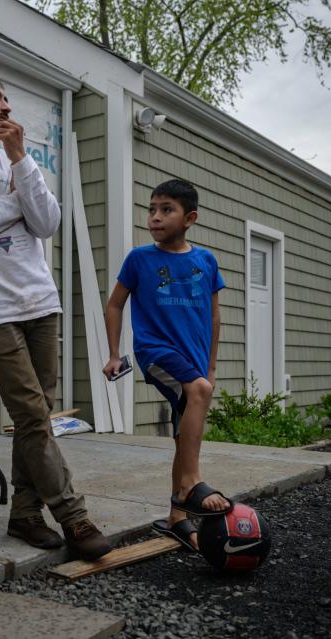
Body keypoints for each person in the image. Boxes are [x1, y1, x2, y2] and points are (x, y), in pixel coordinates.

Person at [0, 70, 111, 560]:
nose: (6, 106)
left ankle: (25, 514)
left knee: (37, 420)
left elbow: (48, 222)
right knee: (33, 416)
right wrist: (14, 204)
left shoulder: (17, 162)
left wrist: (19, 160)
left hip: (39, 301)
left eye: (8, 98)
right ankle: (73, 516)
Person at [103, 179, 232, 553]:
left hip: (193, 359)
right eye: (152, 209)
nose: (155, 217)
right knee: (198, 394)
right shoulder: (139, 259)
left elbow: (215, 316)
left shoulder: (205, 260)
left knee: (184, 433)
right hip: (156, 350)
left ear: (189, 217)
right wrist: (115, 353)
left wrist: (210, 367)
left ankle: (177, 517)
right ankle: (191, 482)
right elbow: (115, 304)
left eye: (166, 210)